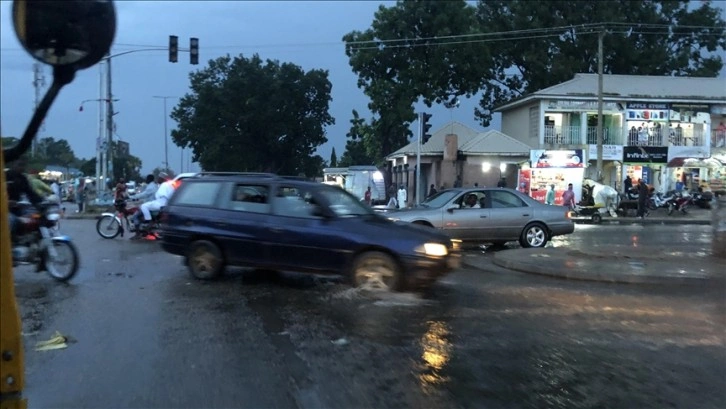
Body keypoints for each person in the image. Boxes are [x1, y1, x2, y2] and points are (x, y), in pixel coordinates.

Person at [5, 156, 45, 239]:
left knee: (35, 222)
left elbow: (31, 193)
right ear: (13, 164)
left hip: (18, 210)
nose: (22, 168)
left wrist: (42, 202)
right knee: (12, 223)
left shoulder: (23, 178)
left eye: (23, 165)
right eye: (19, 165)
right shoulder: (4, 176)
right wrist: (7, 202)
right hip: (4, 212)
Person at [133, 173, 173, 238]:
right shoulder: (162, 185)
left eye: (159, 178)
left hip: (160, 203)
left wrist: (131, 197)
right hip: (161, 203)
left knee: (139, 211)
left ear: (162, 179)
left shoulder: (159, 186)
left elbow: (144, 195)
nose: (157, 179)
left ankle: (146, 223)